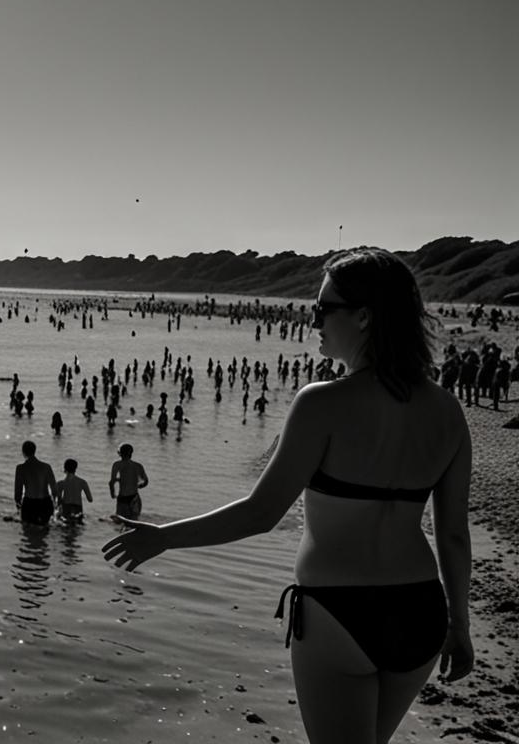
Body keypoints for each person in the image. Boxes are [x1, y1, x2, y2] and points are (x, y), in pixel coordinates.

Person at [102, 247, 474, 744]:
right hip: (420, 610)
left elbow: (261, 513)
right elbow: (451, 533)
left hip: (338, 613)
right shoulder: (447, 411)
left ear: (364, 317)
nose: (312, 321)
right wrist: (460, 627)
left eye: (323, 310)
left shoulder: (321, 403)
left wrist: (164, 539)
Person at [14, 440, 58, 525]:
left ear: (23, 452)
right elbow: (54, 489)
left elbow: (18, 491)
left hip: (29, 503)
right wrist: (55, 505)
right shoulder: (46, 467)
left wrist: (18, 504)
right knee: (44, 531)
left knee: (28, 533)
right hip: (45, 503)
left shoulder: (21, 468)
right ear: (35, 451)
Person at [108, 443, 149, 520]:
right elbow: (146, 481)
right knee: (134, 522)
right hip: (135, 498)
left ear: (120, 453)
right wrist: (139, 486)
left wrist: (113, 494)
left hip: (123, 497)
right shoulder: (138, 466)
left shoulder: (117, 464)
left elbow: (111, 482)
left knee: (120, 522)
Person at [55, 458, 93, 523]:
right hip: (78, 508)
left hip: (66, 508)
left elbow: (58, 502)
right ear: (76, 468)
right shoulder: (82, 482)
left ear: (64, 468)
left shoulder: (60, 483)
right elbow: (90, 499)